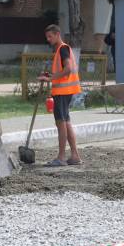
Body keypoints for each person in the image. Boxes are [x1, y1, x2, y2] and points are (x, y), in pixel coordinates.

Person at [38, 24, 82, 166]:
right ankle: (74, 155)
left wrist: (51, 78)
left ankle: (61, 157)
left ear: (57, 34)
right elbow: (62, 71)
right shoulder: (61, 50)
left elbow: (68, 69)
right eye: (47, 37)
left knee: (60, 122)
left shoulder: (63, 48)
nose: (48, 39)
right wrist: (51, 75)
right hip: (65, 91)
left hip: (62, 92)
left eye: (50, 36)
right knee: (66, 122)